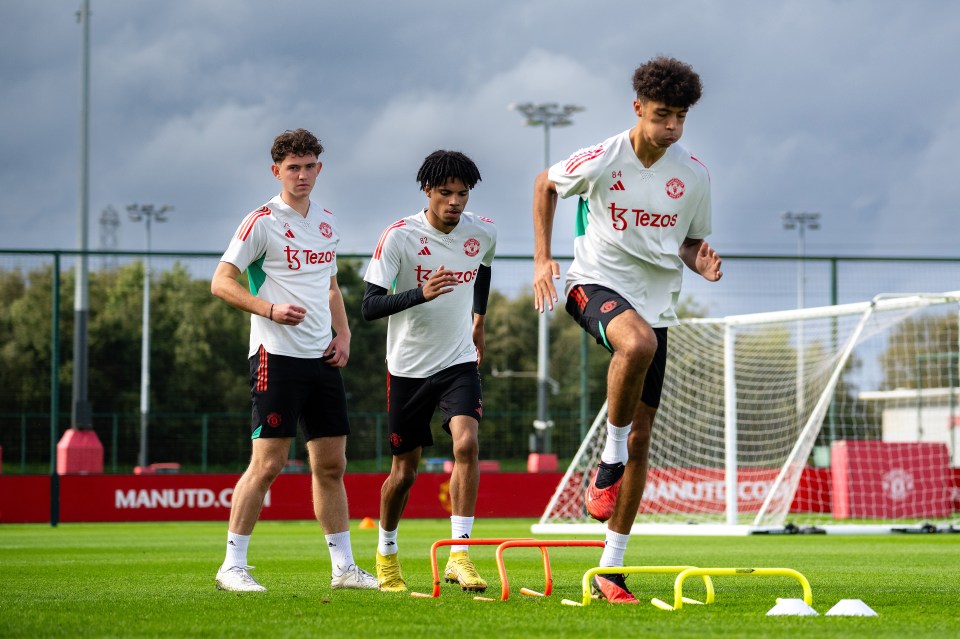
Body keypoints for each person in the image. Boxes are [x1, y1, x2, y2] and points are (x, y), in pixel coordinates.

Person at [531, 57, 723, 604]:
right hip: (590, 284)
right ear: (637, 108)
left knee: (643, 439)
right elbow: (546, 184)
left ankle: (611, 570)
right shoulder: (604, 157)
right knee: (636, 342)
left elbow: (689, 242)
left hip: (656, 304)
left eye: (681, 118)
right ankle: (606, 458)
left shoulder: (695, 176)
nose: (672, 128)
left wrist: (700, 261)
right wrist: (543, 258)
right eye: (663, 115)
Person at [211, 128, 377, 593]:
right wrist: (269, 309)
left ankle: (343, 568)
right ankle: (232, 566)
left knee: (332, 465)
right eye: (293, 168)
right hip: (275, 356)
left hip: (321, 359)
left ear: (319, 168)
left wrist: (342, 333)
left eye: (309, 167)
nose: (302, 175)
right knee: (268, 463)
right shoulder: (260, 221)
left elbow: (329, 286)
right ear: (276, 171)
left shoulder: (327, 221)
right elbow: (221, 282)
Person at [361, 150, 497, 593]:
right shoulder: (399, 237)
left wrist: (479, 318)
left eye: (462, 194)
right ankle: (386, 555)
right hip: (406, 369)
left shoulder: (483, 233)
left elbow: (484, 271)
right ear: (427, 191)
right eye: (445, 193)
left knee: (468, 444)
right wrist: (420, 293)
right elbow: (368, 306)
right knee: (404, 474)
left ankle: (460, 554)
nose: (454, 202)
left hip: (458, 362)